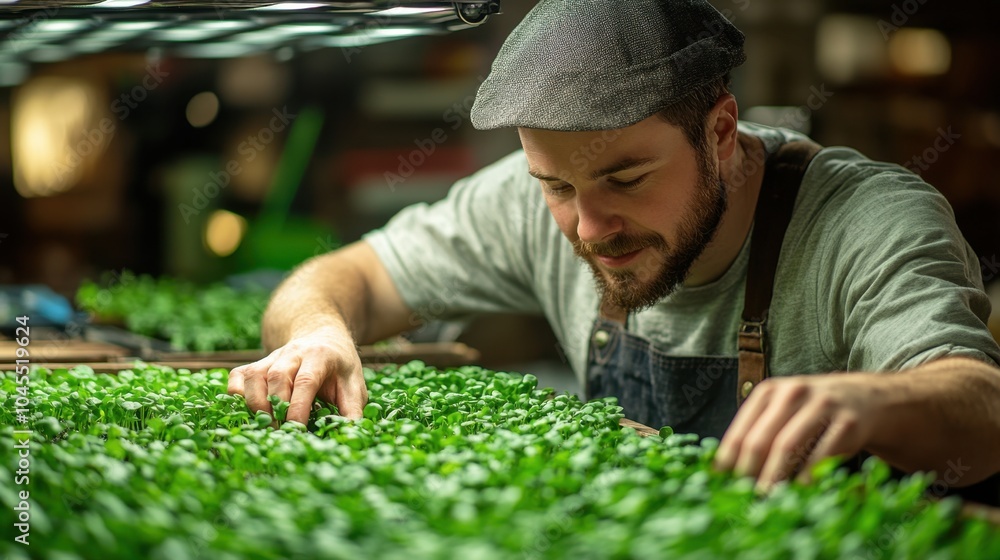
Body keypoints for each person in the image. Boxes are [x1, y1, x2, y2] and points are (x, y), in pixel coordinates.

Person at [228, 0, 1000, 495]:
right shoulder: (537, 200)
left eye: (626, 178)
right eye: (556, 187)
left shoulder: (864, 220)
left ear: (722, 133)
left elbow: (983, 409)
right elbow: (345, 274)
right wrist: (319, 333)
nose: (587, 227)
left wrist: (869, 402)